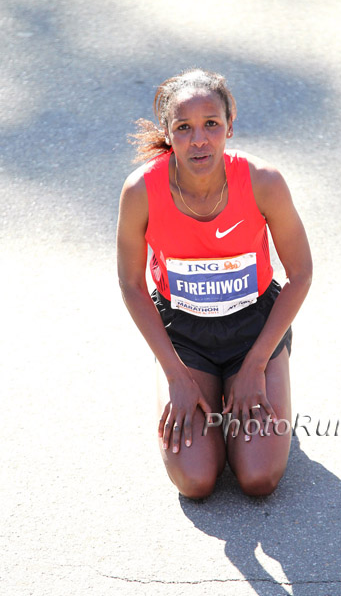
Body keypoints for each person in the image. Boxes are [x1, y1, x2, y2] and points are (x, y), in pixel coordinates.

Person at [117, 69, 312, 499]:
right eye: (184, 128)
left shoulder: (263, 181)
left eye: (211, 124)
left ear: (230, 124)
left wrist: (256, 364)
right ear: (168, 132)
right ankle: (209, 389)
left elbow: (300, 274)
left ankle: (249, 385)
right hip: (185, 335)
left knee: (259, 478)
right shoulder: (141, 190)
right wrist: (175, 374)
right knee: (196, 480)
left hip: (254, 330)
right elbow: (131, 284)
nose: (199, 140)